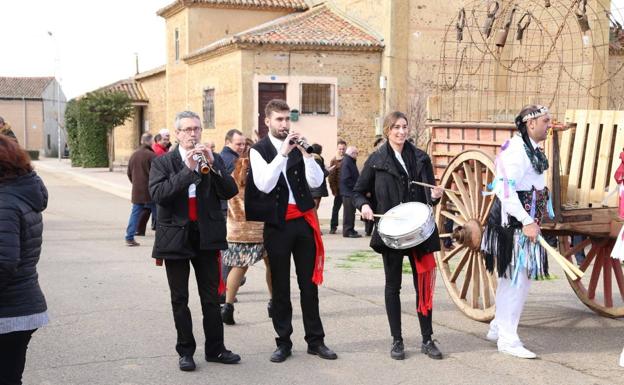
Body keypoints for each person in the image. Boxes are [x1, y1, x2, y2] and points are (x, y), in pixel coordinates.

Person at [246, 99, 337, 363]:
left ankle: (315, 341)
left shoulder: (300, 147)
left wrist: (308, 156)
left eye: (287, 119)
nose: (285, 124)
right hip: (277, 225)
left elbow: (316, 183)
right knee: (281, 287)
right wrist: (283, 153)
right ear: (267, 122)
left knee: (309, 286)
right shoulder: (259, 150)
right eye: (279, 120)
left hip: (303, 222)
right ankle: (283, 342)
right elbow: (263, 184)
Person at [149, 111, 241, 371]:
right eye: (187, 129)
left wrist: (214, 166)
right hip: (175, 236)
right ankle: (185, 351)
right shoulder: (163, 162)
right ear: (177, 134)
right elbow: (159, 195)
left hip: (206, 235)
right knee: (180, 298)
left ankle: (216, 349)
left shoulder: (213, 158)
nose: (193, 134)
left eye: (197, 129)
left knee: (211, 297)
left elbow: (230, 191)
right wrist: (188, 171)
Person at [354, 111, 444, 361]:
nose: (401, 131)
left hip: (419, 233)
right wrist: (364, 206)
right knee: (393, 286)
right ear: (387, 131)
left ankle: (427, 339)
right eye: (396, 127)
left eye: (404, 127)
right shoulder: (376, 160)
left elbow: (429, 198)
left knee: (422, 285)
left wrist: (435, 197)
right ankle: (397, 340)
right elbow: (358, 192)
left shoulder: (420, 158)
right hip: (392, 232)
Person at [482, 105, 552, 359]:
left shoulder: (532, 149)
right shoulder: (515, 150)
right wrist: (526, 220)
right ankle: (508, 340)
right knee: (516, 281)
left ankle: (498, 327)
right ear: (530, 124)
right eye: (546, 120)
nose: (549, 125)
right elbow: (504, 190)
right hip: (513, 225)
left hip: (524, 223)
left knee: (513, 280)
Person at [0, 135, 49, 384]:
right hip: (22, 306)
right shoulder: (20, 193)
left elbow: (4, 262)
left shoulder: (4, 201)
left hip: (9, 310)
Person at [221, 148, 272, 325]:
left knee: (239, 267)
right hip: (259, 229)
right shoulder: (259, 177)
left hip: (236, 230)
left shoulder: (233, 177)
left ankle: (227, 305)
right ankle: (274, 304)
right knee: (271, 266)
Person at [219, 129, 247, 292]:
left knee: (228, 250)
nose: (242, 146)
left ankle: (232, 282)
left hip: (225, 209)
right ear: (227, 142)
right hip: (229, 210)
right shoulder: (233, 160)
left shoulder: (222, 157)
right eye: (238, 144)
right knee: (229, 252)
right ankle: (224, 288)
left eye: (243, 143)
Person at [124, 133, 157, 246]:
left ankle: (129, 236)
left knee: (135, 214)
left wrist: (136, 184)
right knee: (159, 214)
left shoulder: (134, 155)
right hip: (151, 191)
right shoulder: (152, 155)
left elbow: (129, 173)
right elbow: (158, 173)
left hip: (137, 191)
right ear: (149, 142)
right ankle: (165, 237)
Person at [363, 138, 385, 236]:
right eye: (380, 146)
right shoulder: (372, 157)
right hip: (372, 190)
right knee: (372, 210)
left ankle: (379, 229)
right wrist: (367, 190)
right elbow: (366, 176)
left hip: (382, 189)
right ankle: (368, 230)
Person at [340, 146, 361, 238]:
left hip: (349, 192)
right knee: (348, 213)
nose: (357, 155)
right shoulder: (347, 162)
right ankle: (348, 231)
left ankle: (350, 229)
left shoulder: (349, 161)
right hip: (348, 192)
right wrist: (355, 187)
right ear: (352, 153)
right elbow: (346, 178)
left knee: (351, 212)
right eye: (356, 153)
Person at [328, 140, 346, 234]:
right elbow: (331, 177)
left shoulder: (348, 159)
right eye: (340, 149)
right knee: (336, 209)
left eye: (343, 149)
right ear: (337, 149)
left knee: (348, 210)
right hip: (338, 190)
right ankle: (333, 227)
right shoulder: (334, 160)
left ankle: (347, 228)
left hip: (347, 190)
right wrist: (334, 190)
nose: (342, 151)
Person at [309, 143, 329, 224]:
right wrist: (328, 171)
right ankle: (314, 226)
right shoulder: (317, 159)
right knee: (314, 209)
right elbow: (319, 174)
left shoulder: (310, 157)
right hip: (317, 188)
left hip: (312, 187)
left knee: (313, 208)